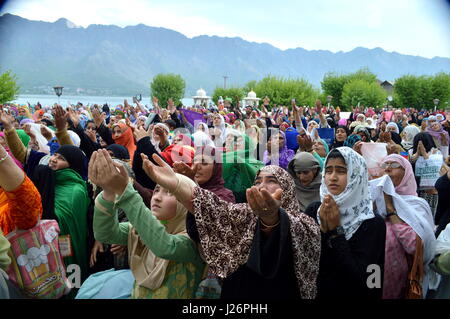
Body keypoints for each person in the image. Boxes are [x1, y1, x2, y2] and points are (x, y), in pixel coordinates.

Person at [142, 156, 321, 299]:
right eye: (257, 181)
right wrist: (179, 185)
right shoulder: (243, 214)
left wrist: (270, 218)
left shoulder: (306, 223)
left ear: (287, 189)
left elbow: (284, 244)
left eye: (271, 181)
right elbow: (212, 212)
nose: (262, 186)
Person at [88, 149, 205, 298]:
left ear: (186, 202)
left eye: (169, 192)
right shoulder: (141, 229)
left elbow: (165, 246)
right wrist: (109, 192)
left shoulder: (194, 240)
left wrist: (126, 192)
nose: (156, 198)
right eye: (156, 190)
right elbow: (106, 233)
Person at [304, 147, 386, 299]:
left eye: (341, 171)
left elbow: (368, 280)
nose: (332, 177)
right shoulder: (315, 210)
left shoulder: (372, 222)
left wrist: (336, 232)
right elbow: (306, 262)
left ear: (357, 174)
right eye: (328, 171)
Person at [371, 154, 436, 298]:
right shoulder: (371, 201)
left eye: (394, 165)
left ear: (406, 173)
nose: (387, 169)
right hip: (373, 275)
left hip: (402, 283)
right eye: (384, 165)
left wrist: (391, 211)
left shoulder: (417, 206)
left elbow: (416, 247)